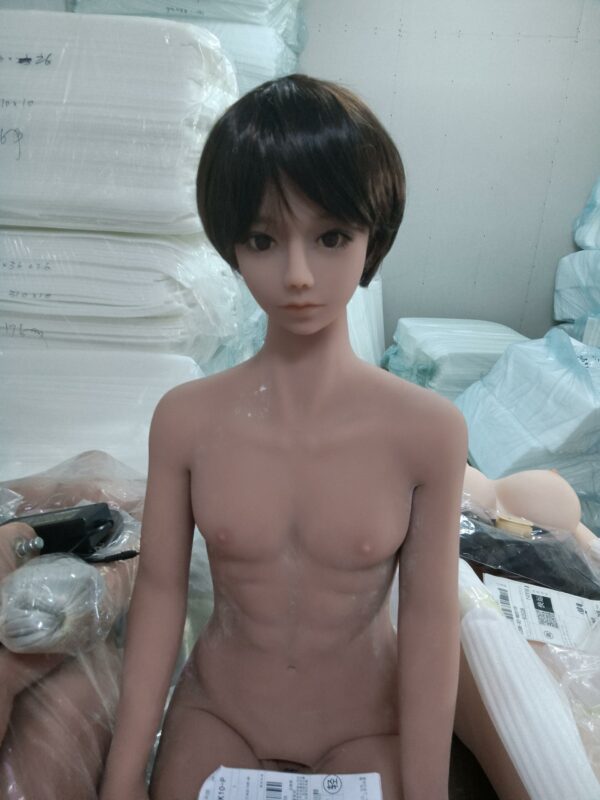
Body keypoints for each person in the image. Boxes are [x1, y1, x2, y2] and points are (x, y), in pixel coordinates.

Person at [100, 74, 468, 800]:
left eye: (332, 237)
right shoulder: (187, 421)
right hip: (221, 716)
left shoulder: (428, 432)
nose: (298, 275)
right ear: (232, 246)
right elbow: (161, 597)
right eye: (263, 240)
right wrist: (120, 779)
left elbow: (431, 627)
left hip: (365, 725)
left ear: (373, 237)